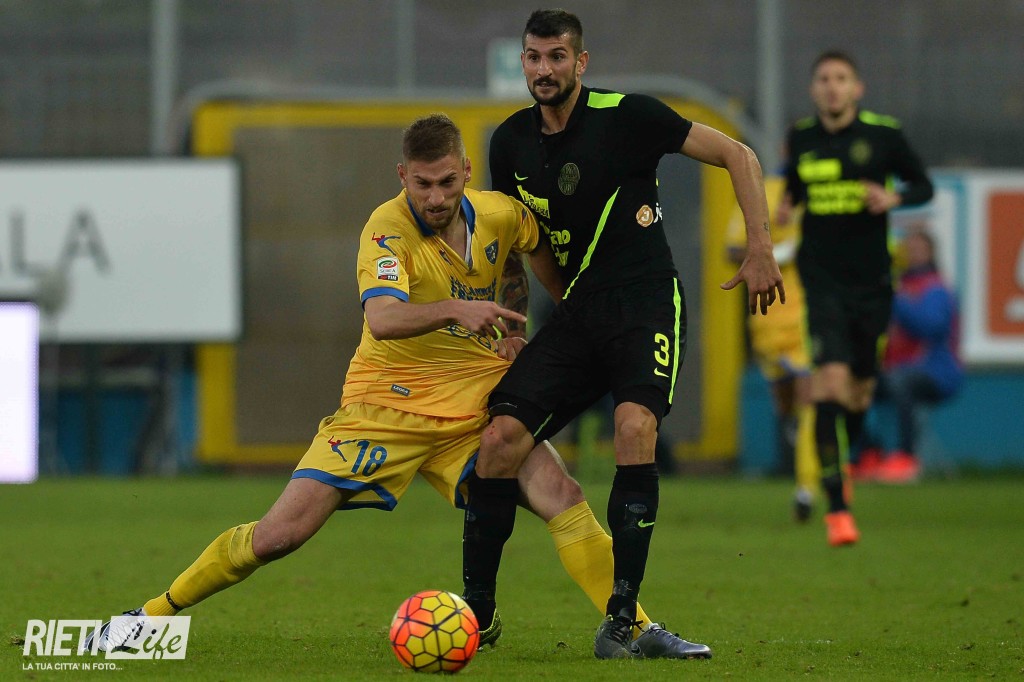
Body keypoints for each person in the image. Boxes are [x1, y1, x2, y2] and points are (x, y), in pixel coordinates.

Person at [84, 114, 684, 658]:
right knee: (277, 537)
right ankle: (149, 617)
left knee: (563, 494)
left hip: (472, 401)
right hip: (384, 407)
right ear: (403, 176)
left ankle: (630, 626)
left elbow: (518, 255)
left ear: (465, 172)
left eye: (446, 182)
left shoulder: (499, 213)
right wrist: (458, 309)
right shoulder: (386, 230)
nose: (435, 197)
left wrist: (515, 323)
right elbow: (384, 318)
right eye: (422, 184)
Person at [461, 9, 784, 661]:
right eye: (533, 57)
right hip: (579, 313)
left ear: (580, 62)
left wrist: (760, 247)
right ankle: (477, 615)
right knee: (497, 441)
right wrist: (525, 316)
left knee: (634, 428)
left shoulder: (628, 115)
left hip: (645, 303)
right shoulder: (510, 142)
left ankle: (621, 622)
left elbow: (738, 154)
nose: (544, 69)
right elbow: (520, 241)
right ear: (522, 63)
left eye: (557, 56)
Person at [778, 50, 934, 546]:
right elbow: (796, 187)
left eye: (841, 78)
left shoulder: (883, 135)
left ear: (857, 88)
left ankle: (841, 460)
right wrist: (786, 205)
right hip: (821, 280)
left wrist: (894, 198)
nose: (832, 86)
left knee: (858, 393)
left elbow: (923, 185)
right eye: (824, 78)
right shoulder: (801, 137)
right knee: (828, 384)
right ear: (813, 89)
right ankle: (838, 508)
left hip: (872, 283)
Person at [726, 176, 818, 521]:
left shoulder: (823, 192)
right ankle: (798, 431)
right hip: (768, 319)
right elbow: (730, 250)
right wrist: (773, 253)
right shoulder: (761, 191)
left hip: (808, 317)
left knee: (810, 399)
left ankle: (806, 488)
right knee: (786, 403)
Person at [853, 225, 962, 483]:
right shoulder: (896, 286)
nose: (912, 254)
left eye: (918, 249)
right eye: (908, 249)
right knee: (856, 381)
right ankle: (869, 454)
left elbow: (930, 326)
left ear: (931, 253)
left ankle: (906, 458)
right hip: (896, 370)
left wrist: (895, 297)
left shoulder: (935, 288)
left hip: (937, 372)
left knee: (901, 382)